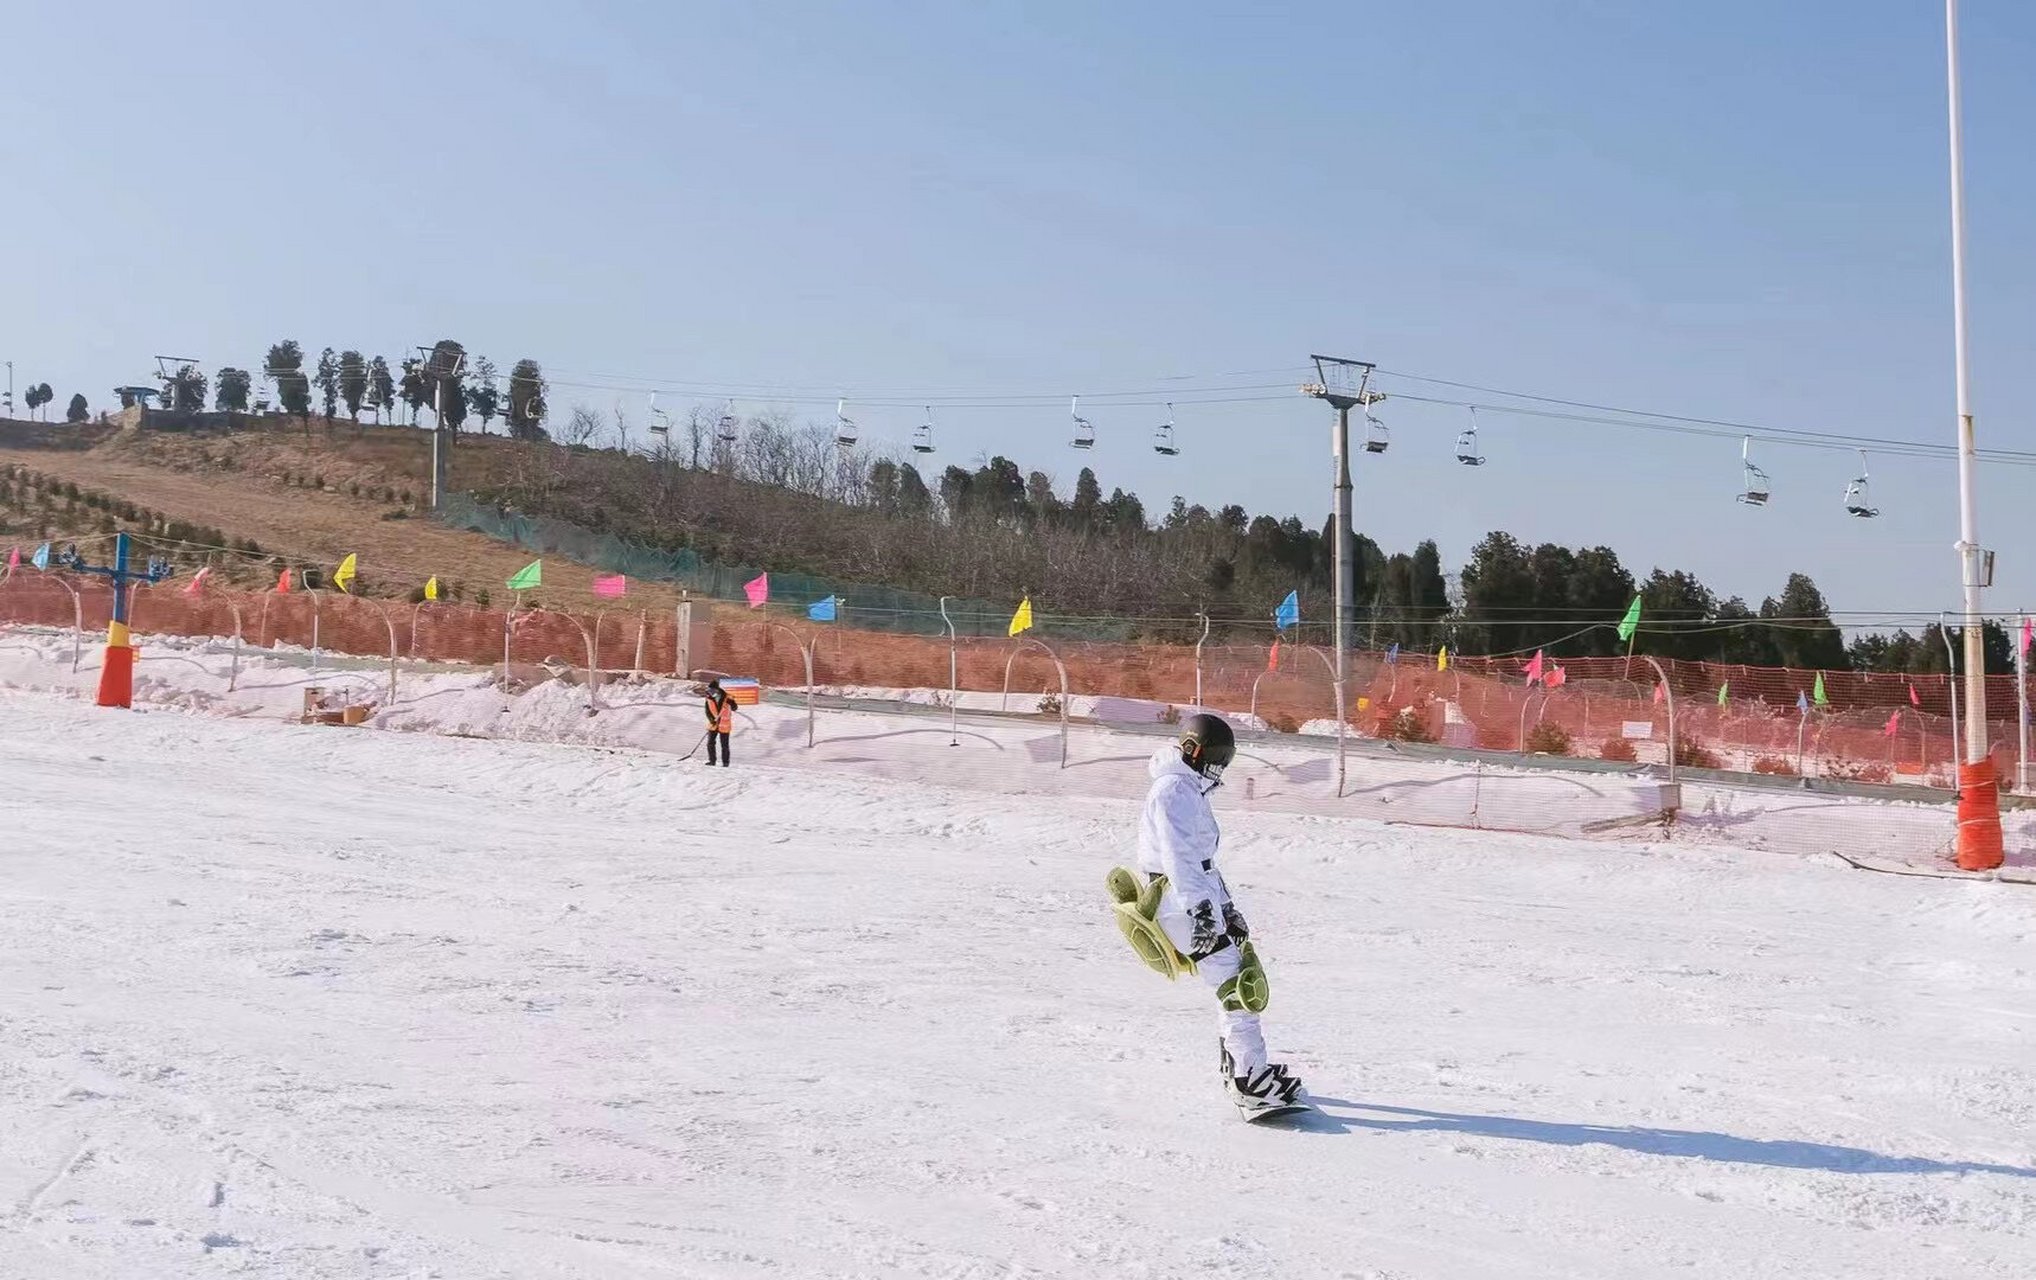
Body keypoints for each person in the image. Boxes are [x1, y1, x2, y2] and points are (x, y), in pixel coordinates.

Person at [1108, 712, 1303, 1116]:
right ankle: (1250, 1082)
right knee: (1238, 986)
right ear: (1194, 751)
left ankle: (1242, 1069)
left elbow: (1203, 862)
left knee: (1235, 979)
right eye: (1215, 761)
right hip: (1181, 903)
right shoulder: (1174, 791)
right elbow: (1180, 860)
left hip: (1191, 898)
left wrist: (1225, 907)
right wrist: (1202, 912)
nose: (1218, 772)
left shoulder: (1184, 788)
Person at [703, 678, 734, 767]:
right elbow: (707, 711)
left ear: (717, 690)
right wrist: (712, 720)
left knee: (724, 745)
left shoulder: (727, 697)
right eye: (709, 690)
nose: (710, 692)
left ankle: (725, 763)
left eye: (712, 690)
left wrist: (731, 703)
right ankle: (712, 761)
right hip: (714, 724)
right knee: (710, 743)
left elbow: (735, 708)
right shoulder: (708, 698)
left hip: (724, 724)